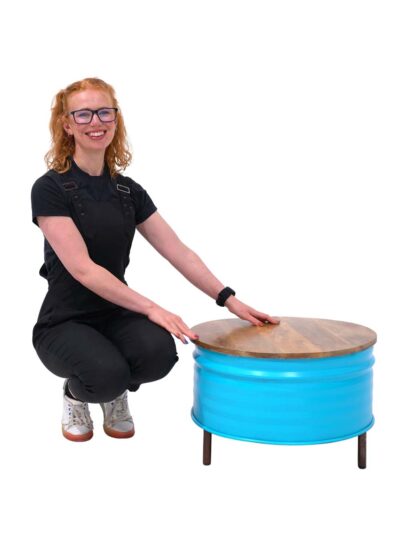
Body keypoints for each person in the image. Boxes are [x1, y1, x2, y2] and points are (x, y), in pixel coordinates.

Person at [31, 77, 280, 442]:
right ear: (67, 125)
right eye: (83, 114)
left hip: (114, 313)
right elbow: (83, 270)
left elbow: (178, 251)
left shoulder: (127, 191)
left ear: (115, 119)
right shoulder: (50, 189)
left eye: (104, 112)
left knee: (159, 355)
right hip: (64, 322)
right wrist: (153, 309)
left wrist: (229, 299)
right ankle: (76, 394)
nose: (96, 122)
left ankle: (113, 388)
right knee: (104, 375)